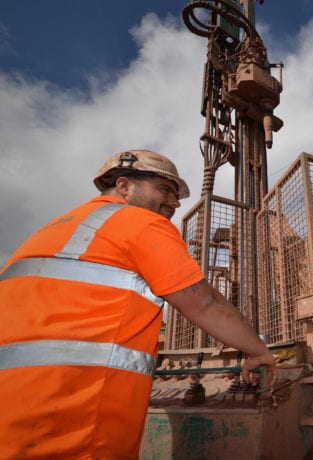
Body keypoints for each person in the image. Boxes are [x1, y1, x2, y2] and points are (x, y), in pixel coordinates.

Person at [0, 150, 277, 459]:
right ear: (124, 186)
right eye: (164, 190)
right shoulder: (140, 223)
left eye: (175, 195)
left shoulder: (51, 233)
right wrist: (258, 351)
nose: (175, 202)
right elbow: (205, 302)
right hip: (74, 419)